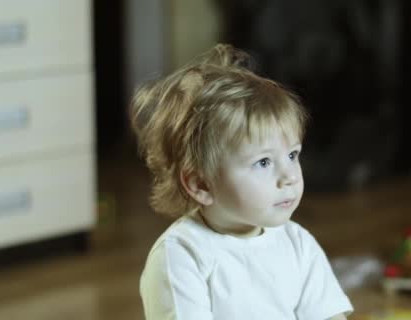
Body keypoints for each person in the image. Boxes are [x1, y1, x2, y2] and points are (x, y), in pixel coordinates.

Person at [130, 43, 353, 320]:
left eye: (292, 155)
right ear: (201, 185)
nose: (290, 176)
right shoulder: (183, 256)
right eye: (263, 162)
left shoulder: (297, 243)